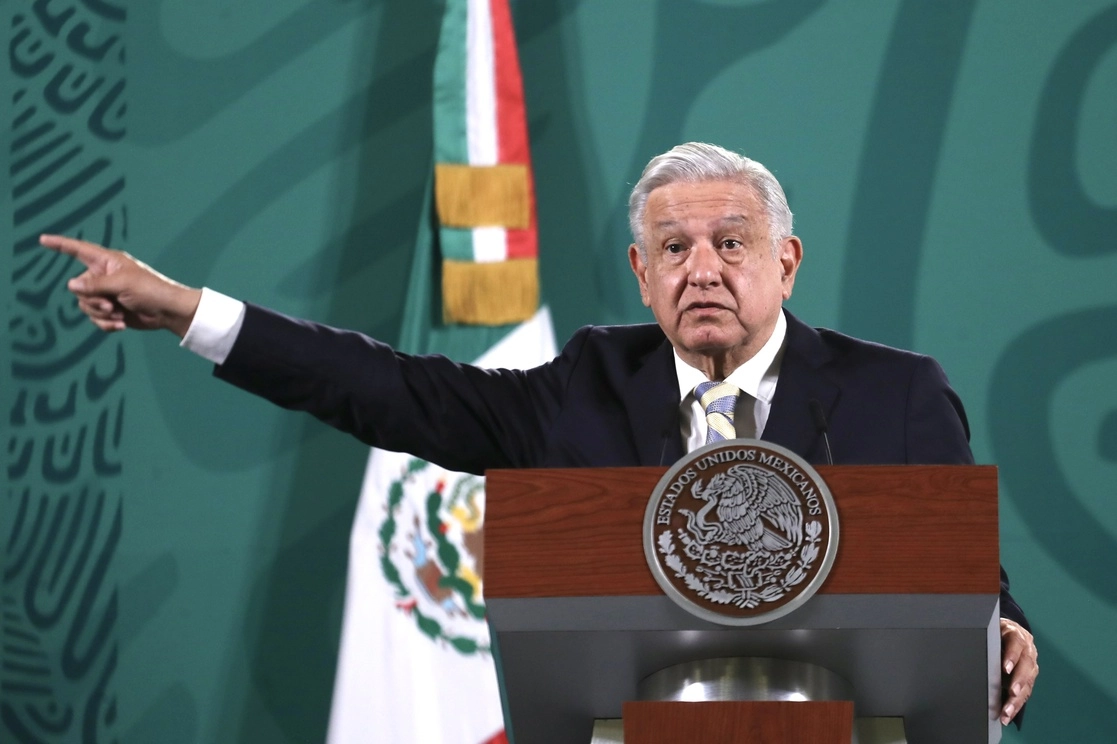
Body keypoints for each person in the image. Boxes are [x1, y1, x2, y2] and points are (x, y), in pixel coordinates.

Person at [41, 141, 1037, 725]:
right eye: (672, 249)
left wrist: (1009, 630)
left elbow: (954, 568)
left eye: (730, 245)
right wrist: (188, 311)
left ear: (786, 264)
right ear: (641, 277)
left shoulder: (896, 394)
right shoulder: (586, 388)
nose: (701, 269)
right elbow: (386, 388)